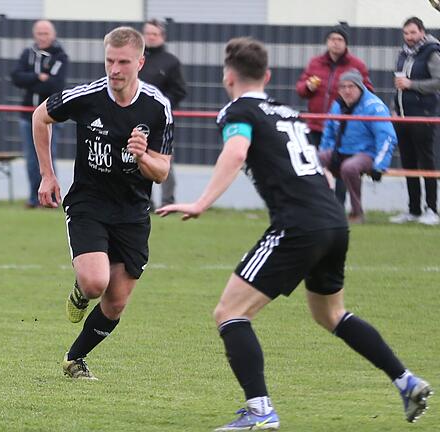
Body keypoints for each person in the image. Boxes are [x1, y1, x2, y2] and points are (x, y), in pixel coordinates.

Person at [157, 37, 432, 431]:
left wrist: (201, 202)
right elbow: (319, 171)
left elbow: (235, 153)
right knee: (330, 314)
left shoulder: (238, 110)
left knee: (230, 313)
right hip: (333, 221)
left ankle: (259, 411)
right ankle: (406, 382)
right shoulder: (287, 112)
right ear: (267, 75)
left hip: (298, 224)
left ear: (228, 76)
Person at [33, 27, 172, 379]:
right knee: (96, 283)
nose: (114, 69)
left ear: (140, 62)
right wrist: (48, 175)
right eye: (110, 60)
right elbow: (40, 116)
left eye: (123, 62)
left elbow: (162, 172)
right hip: (89, 203)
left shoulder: (157, 107)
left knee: (116, 302)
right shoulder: (88, 96)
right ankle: (81, 290)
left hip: (132, 211)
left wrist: (142, 157)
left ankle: (74, 359)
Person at [296, 23, 372, 205]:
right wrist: (308, 87)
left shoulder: (356, 65)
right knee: (314, 166)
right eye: (332, 39)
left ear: (346, 44)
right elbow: (300, 89)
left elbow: (368, 91)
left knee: (341, 168)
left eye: (339, 40)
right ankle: (316, 204)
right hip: (316, 124)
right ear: (327, 42)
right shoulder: (315, 63)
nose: (335, 43)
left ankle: (338, 205)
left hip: (343, 126)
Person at [319, 69, 397, 224]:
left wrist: (380, 165)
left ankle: (357, 213)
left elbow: (387, 137)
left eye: (351, 86)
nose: (347, 91)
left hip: (367, 154)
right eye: (343, 87)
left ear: (360, 87)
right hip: (340, 151)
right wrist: (325, 152)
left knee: (349, 167)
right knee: (312, 160)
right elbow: (328, 133)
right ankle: (320, 209)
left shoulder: (374, 107)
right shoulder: (337, 105)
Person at [11, 20, 69, 208]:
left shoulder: (60, 56)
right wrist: (37, 76)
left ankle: (52, 198)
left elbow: (54, 84)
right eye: (39, 33)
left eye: (46, 33)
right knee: (30, 158)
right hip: (27, 116)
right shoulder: (27, 54)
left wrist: (31, 80)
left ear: (53, 35)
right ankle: (33, 198)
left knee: (47, 157)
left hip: (50, 117)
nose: (42, 37)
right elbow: (16, 77)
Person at [391, 16, 440, 226]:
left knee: (426, 163)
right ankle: (413, 210)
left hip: (424, 115)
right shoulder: (403, 53)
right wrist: (394, 107)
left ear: (422, 32)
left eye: (413, 32)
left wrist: (412, 84)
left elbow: (438, 82)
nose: (409, 37)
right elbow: (399, 85)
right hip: (403, 116)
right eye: (406, 33)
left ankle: (432, 209)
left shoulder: (432, 52)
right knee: (408, 163)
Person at [139, 19, 187, 207]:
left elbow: (179, 90)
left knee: (163, 160)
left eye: (154, 34)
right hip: (136, 118)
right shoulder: (137, 58)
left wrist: (161, 106)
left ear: (162, 37)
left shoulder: (171, 62)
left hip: (161, 120)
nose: (150, 37)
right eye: (147, 33)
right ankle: (144, 201)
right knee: (138, 159)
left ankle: (168, 202)